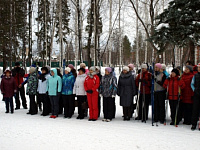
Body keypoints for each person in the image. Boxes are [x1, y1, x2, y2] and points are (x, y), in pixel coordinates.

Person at [191, 63, 200, 130]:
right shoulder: (195, 75)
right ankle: (194, 124)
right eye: (198, 68)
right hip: (196, 94)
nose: (199, 69)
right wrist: (194, 90)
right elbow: (192, 84)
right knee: (195, 109)